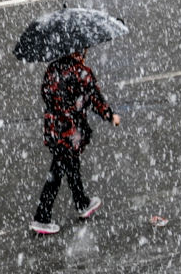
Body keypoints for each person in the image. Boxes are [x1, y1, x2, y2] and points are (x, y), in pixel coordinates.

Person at [30, 48, 121, 235]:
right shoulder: (81, 73)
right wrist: (110, 115)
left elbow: (46, 95)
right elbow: (95, 99)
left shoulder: (52, 69)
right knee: (57, 171)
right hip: (70, 131)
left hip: (54, 128)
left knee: (70, 165)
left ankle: (82, 203)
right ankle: (42, 217)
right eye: (84, 50)